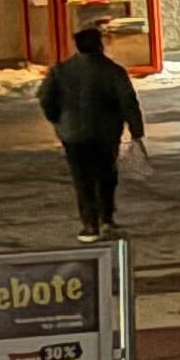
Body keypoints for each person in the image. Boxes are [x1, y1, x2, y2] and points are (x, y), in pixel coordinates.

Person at [37, 22, 141, 238]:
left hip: (73, 134)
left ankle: (89, 224)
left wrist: (58, 120)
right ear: (99, 45)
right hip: (106, 134)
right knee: (106, 174)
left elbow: (45, 98)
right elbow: (129, 102)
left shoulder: (60, 71)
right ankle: (107, 218)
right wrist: (136, 130)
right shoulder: (113, 71)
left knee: (82, 179)